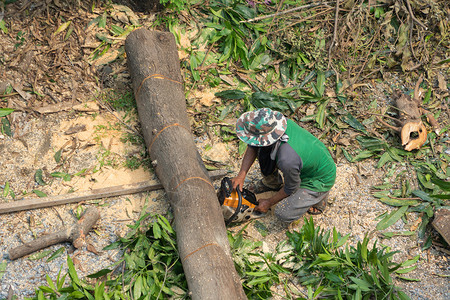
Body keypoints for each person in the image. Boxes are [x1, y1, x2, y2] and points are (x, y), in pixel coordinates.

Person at [231, 108, 336, 223]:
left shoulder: (287, 159)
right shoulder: (275, 125)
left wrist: (269, 202)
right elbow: (253, 145)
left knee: (283, 213)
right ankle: (273, 184)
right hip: (308, 160)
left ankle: (319, 196)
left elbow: (291, 187)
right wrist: (241, 175)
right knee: (264, 153)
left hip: (321, 178)